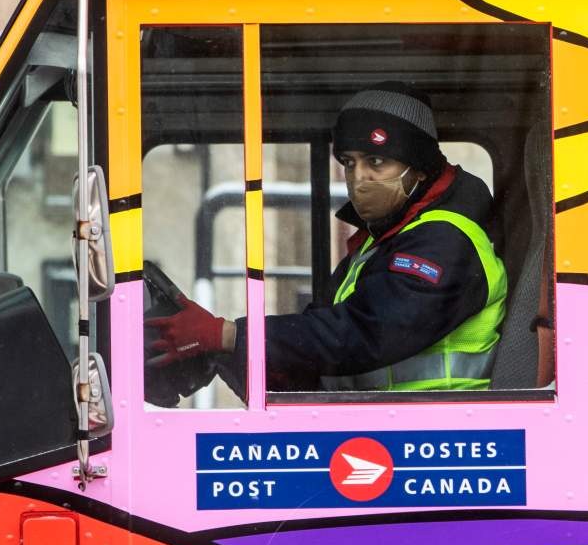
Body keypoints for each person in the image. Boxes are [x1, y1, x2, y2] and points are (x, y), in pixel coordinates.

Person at [149, 82, 508, 392]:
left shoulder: (443, 239)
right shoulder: (383, 238)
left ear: (418, 168)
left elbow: (368, 333)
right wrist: (226, 350)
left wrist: (231, 335)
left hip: (440, 433)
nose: (359, 177)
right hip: (387, 423)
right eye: (350, 163)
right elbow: (323, 337)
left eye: (377, 162)